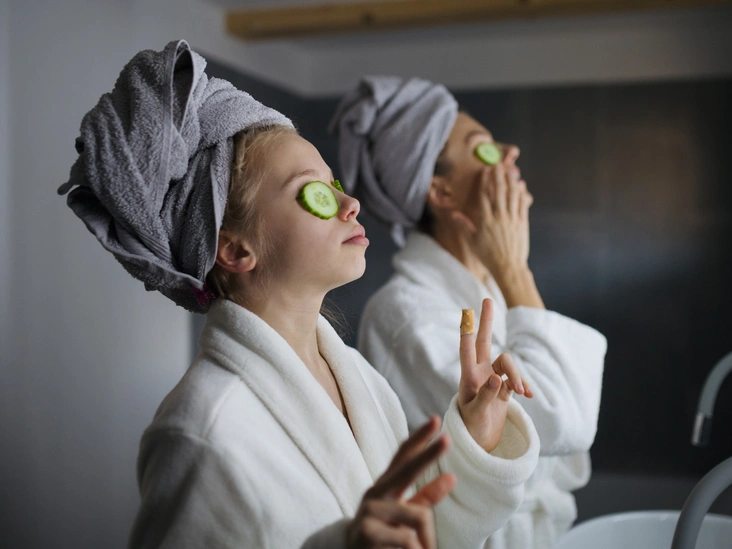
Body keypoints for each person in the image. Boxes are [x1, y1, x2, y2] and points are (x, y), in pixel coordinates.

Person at [58, 41, 540, 549]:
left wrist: (475, 436)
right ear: (234, 249)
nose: (349, 204)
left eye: (335, 184)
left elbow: (414, 526)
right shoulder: (199, 429)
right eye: (314, 193)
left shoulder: (358, 378)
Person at [330, 76, 608, 549]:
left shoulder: (485, 285)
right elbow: (562, 425)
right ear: (440, 192)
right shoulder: (403, 315)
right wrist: (515, 269)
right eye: (484, 148)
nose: (511, 152)